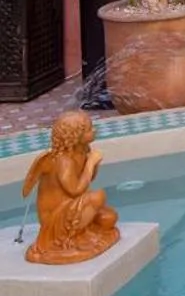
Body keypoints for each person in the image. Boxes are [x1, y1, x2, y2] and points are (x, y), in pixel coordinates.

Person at [21, 110, 120, 265]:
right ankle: (71, 237)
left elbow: (87, 179)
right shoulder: (63, 160)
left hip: (72, 207)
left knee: (109, 218)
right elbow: (74, 190)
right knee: (98, 196)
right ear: (75, 136)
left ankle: (83, 232)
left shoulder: (81, 152)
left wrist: (92, 164)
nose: (94, 131)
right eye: (89, 129)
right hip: (54, 218)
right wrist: (91, 163)